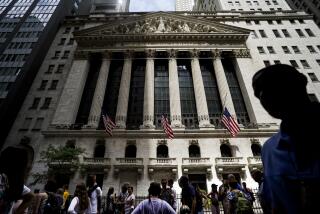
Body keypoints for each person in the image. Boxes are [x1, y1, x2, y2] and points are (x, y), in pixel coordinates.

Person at [252, 64, 320, 213]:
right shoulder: (269, 149)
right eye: (260, 93)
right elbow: (275, 205)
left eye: (274, 87)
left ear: (301, 83)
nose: (265, 97)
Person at [0, 145, 34, 213]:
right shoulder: (5, 180)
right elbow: (30, 196)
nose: (29, 165)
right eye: (27, 162)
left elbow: (30, 196)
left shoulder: (13, 183)